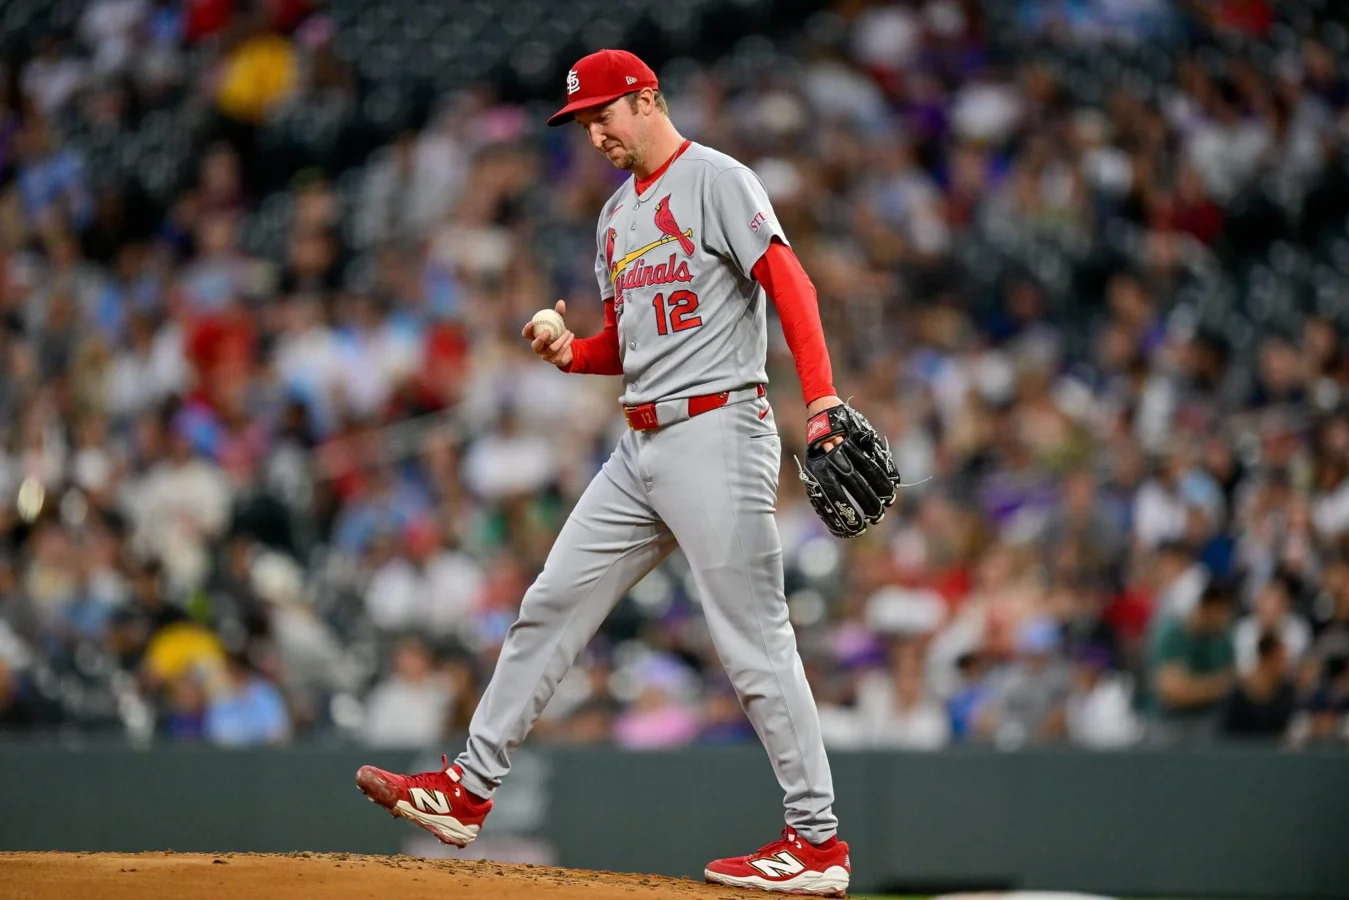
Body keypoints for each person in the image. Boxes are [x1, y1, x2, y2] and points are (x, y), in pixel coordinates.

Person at [353, 48, 898, 896]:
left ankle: (817, 843)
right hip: (639, 445)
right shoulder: (613, 217)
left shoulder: (716, 179)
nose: (594, 135)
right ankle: (467, 790)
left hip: (717, 429)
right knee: (548, 604)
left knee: (753, 643)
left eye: (602, 115)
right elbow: (628, 342)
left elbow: (790, 284)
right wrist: (570, 352)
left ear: (646, 99)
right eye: (582, 123)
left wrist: (822, 398)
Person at [1144, 583, 1237, 745]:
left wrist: (1192, 686)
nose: (1225, 618)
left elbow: (1230, 683)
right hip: (1168, 724)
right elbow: (1173, 692)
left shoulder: (1223, 639)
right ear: (1208, 607)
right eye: (1221, 611)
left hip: (1208, 724)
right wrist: (1216, 685)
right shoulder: (1172, 634)